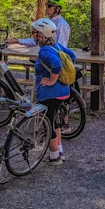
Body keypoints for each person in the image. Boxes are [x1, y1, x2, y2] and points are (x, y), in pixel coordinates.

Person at [31, 18, 76, 166]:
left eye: (34, 33)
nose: (33, 36)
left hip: (50, 93)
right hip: (64, 91)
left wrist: (52, 79)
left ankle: (54, 156)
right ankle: (60, 151)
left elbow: (56, 64)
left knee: (48, 123)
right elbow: (72, 56)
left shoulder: (44, 51)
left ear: (42, 35)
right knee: (54, 120)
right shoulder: (57, 46)